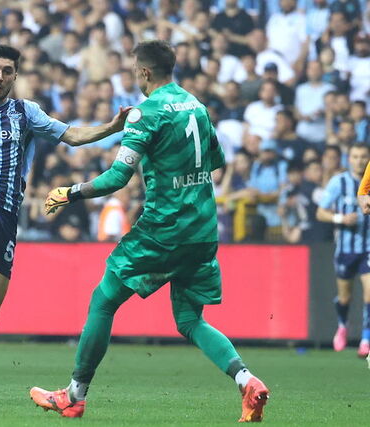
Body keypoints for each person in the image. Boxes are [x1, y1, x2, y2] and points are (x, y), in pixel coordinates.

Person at [29, 40, 269, 422]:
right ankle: (247, 380)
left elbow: (117, 177)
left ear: (143, 72)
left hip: (163, 228)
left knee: (104, 300)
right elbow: (217, 160)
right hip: (203, 229)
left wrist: (70, 192)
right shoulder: (197, 106)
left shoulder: (146, 113)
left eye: (133, 70)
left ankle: (74, 395)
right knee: (190, 320)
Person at [0, 45, 130, 402]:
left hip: (4, 216)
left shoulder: (26, 112)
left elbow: (72, 135)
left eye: (7, 71)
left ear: (15, 76)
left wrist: (112, 127)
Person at [318, 143, 370, 358]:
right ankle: (342, 325)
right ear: (349, 159)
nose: (359, 161)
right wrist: (340, 218)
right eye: (355, 156)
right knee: (344, 297)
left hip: (368, 248)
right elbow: (320, 212)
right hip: (345, 249)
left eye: (363, 157)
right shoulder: (339, 182)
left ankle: (366, 338)